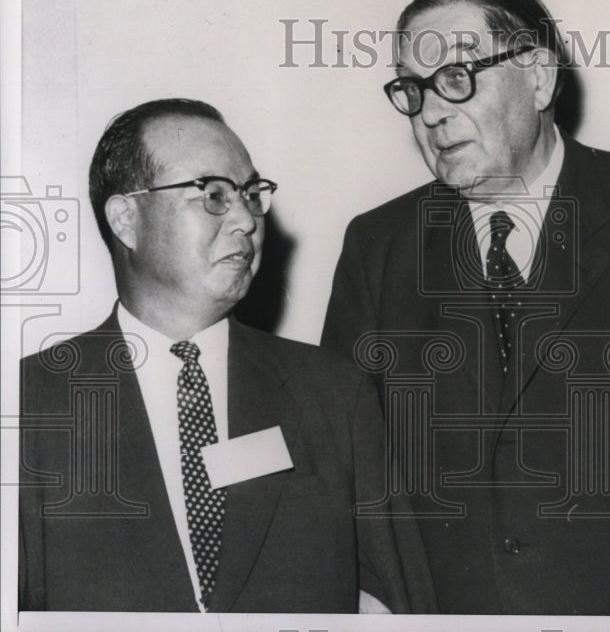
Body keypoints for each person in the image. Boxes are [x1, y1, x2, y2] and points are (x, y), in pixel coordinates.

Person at [321, 0, 610, 614]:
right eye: (413, 89)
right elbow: (345, 466)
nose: (430, 112)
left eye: (457, 77)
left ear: (539, 77)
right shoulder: (379, 248)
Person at [19, 98, 435, 613]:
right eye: (213, 194)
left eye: (251, 193)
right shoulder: (26, 405)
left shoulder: (334, 393)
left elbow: (399, 603)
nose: (246, 219)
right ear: (126, 219)